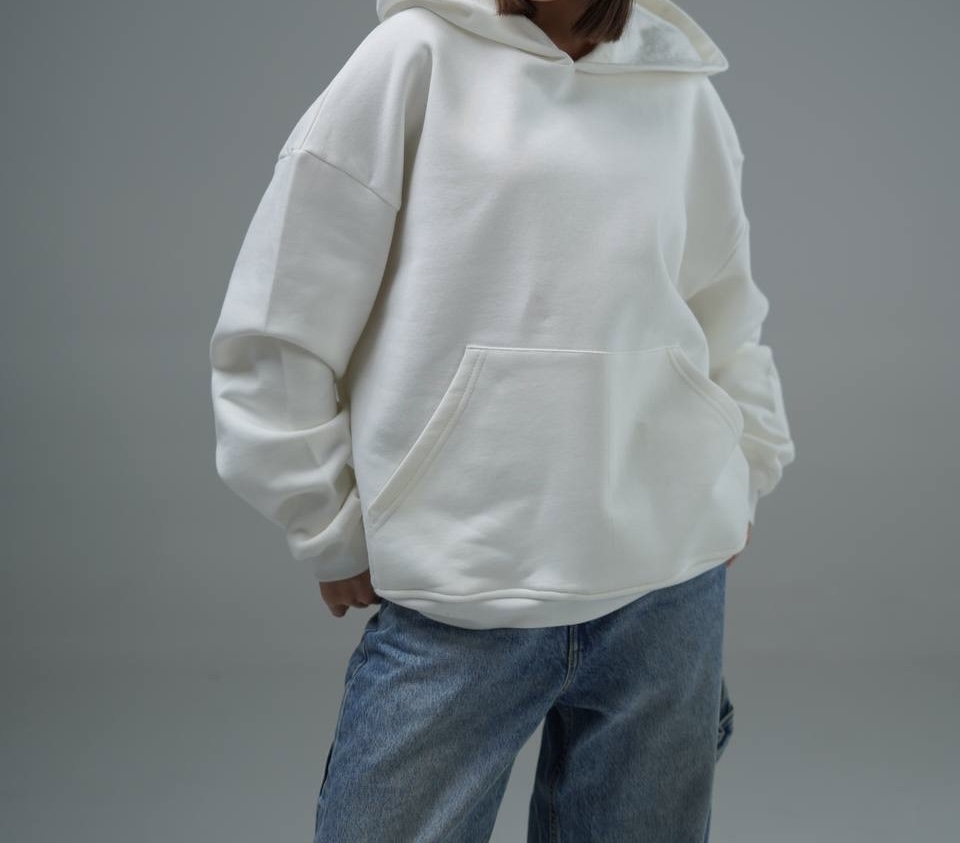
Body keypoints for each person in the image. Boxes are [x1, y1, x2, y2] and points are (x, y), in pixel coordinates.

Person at [208, 0, 796, 840]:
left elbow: (724, 308)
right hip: (463, 582)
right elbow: (279, 316)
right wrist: (323, 519)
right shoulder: (413, 58)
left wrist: (746, 465)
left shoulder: (679, 84)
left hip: (667, 585)